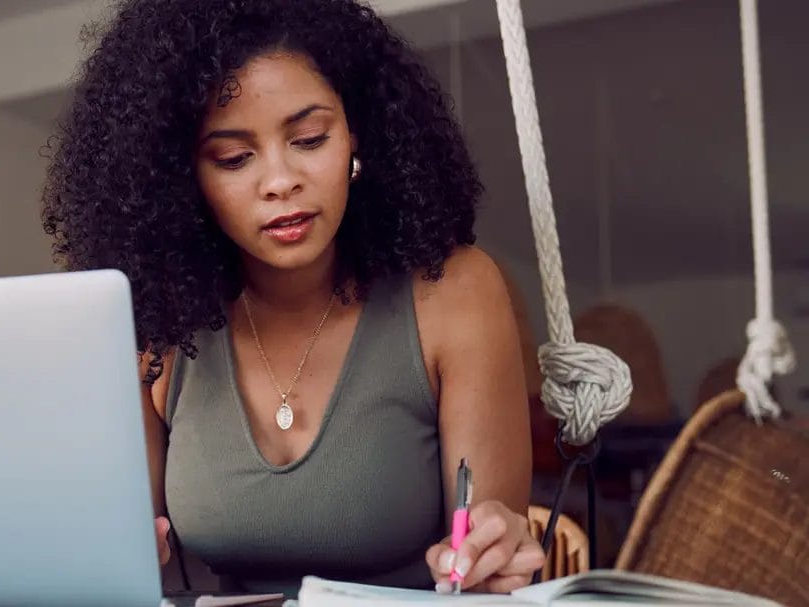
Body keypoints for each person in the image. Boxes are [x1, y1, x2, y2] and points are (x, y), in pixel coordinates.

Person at [41, 0, 544, 597]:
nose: (280, 181)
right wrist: (102, 553)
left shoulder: (452, 291)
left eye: (308, 139)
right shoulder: (158, 323)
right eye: (234, 158)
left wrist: (495, 551)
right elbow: (117, 555)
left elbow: (490, 564)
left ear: (357, 133)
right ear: (182, 178)